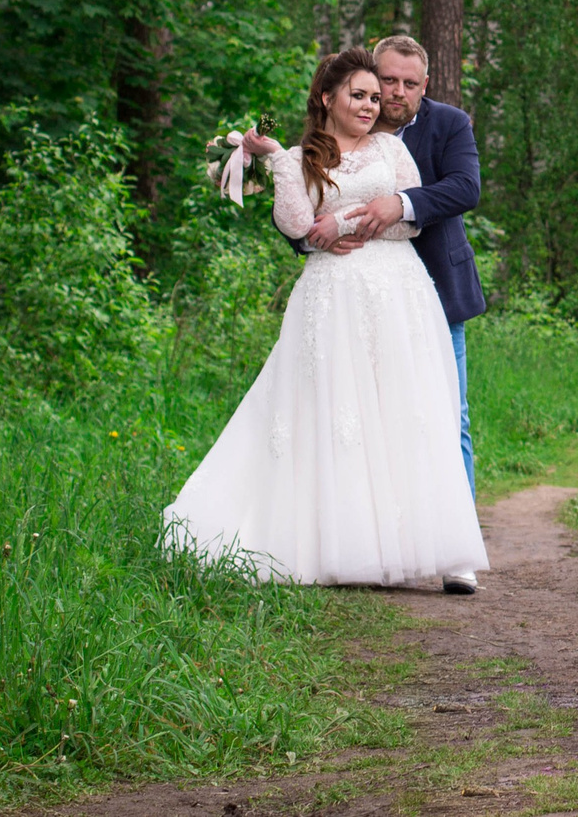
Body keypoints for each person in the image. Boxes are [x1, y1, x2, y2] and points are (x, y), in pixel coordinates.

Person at [163, 49, 489, 589]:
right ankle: (345, 542)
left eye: (378, 95)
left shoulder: (403, 142)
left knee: (422, 411)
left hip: (400, 292)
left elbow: (418, 216)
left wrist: (352, 221)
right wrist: (276, 165)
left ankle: (441, 550)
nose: (376, 101)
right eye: (364, 92)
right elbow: (297, 226)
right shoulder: (300, 156)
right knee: (338, 413)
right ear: (327, 98)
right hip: (335, 293)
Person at [256, 33, 489, 595]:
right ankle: (360, 538)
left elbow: (464, 187)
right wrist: (319, 237)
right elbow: (300, 218)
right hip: (343, 291)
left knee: (441, 413)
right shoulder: (314, 148)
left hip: (424, 291)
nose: (391, 94)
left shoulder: (444, 126)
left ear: (424, 85)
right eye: (385, 82)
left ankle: (452, 550)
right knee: (353, 415)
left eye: (408, 84)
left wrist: (398, 205)